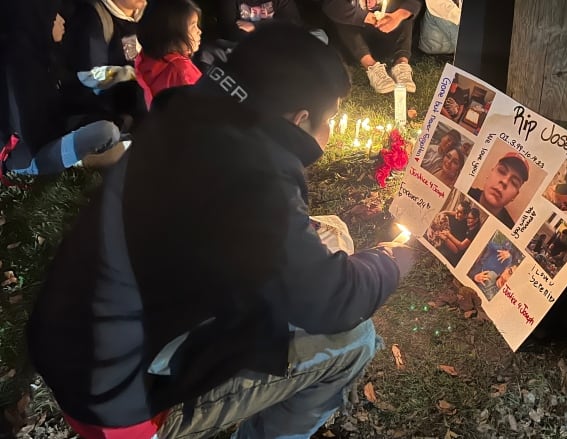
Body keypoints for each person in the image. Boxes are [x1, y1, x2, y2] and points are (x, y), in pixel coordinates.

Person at [26, 22, 415, 439]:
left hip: (64, 335)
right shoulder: (255, 174)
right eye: (328, 120)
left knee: (327, 232)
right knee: (354, 339)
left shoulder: (187, 111)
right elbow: (330, 301)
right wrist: (392, 259)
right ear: (300, 119)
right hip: (116, 395)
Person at [1, 0, 124, 177]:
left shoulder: (43, 55)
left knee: (113, 123)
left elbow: (61, 106)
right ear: (40, 21)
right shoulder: (18, 67)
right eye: (53, 16)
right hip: (29, 157)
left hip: (53, 132)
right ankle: (83, 162)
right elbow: (27, 138)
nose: (61, 20)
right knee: (106, 132)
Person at [63, 0, 148, 126]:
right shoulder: (92, 18)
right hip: (110, 115)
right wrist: (133, 75)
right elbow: (90, 76)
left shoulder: (149, 12)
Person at [322, 0, 421, 94]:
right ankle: (371, 66)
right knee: (341, 14)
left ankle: (401, 64)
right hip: (354, 42)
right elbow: (331, 5)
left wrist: (397, 16)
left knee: (405, 11)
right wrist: (369, 18)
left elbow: (415, 2)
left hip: (387, 34)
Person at [135, 0, 203, 109]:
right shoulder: (182, 72)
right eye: (193, 26)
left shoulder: (146, 57)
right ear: (172, 34)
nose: (199, 31)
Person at [468, 152, 529, 228]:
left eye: (514, 182)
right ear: (489, 174)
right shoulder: (465, 191)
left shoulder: (509, 229)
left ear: (514, 196)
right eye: (502, 171)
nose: (505, 182)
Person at [215, 0, 303, 42]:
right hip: (243, 50)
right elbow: (229, 33)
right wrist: (274, 27)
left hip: (278, 48)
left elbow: (293, 27)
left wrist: (255, 27)